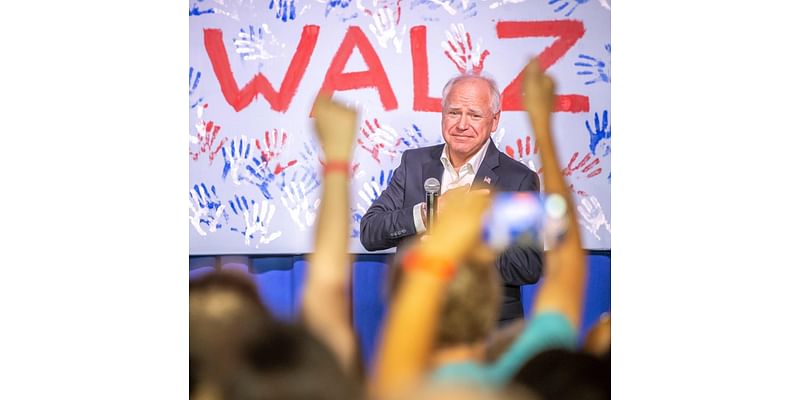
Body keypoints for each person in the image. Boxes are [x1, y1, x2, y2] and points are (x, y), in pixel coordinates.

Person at [360, 73, 542, 323]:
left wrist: (463, 240)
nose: (462, 125)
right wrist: (426, 215)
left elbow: (526, 267)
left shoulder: (517, 179)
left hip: (486, 328)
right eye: (454, 113)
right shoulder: (414, 163)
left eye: (475, 115)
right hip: (416, 327)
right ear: (443, 114)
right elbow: (370, 232)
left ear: (494, 120)